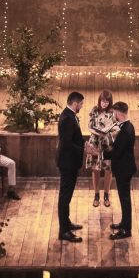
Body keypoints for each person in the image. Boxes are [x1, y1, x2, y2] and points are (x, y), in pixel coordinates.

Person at [56, 91, 86, 242]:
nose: (81, 106)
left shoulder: (70, 115)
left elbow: (75, 138)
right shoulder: (67, 118)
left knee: (67, 196)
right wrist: (84, 149)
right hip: (67, 163)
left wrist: (84, 144)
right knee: (64, 197)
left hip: (70, 162)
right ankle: (63, 231)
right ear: (75, 103)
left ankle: (66, 223)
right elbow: (67, 143)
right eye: (81, 104)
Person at [106, 100, 135, 240]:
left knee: (125, 200)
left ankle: (126, 230)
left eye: (113, 113)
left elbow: (116, 153)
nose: (113, 116)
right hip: (124, 168)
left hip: (124, 169)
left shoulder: (125, 131)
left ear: (118, 112)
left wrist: (98, 153)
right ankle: (124, 223)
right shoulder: (128, 126)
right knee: (124, 199)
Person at [86, 89, 119, 208]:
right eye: (102, 101)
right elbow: (89, 126)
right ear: (99, 100)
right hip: (95, 142)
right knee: (95, 169)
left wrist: (109, 133)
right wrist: (97, 132)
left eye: (106, 102)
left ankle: (106, 195)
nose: (104, 104)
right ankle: (96, 195)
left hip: (107, 144)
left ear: (110, 102)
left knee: (108, 170)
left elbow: (116, 128)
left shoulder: (113, 112)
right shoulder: (94, 110)